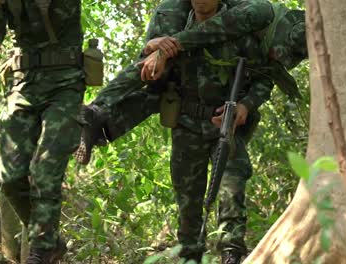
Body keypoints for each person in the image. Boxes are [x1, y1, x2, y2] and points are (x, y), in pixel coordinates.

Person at [74, 1, 307, 263]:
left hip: (228, 123)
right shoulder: (176, 24)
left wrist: (246, 105)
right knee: (188, 200)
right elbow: (150, 71)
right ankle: (190, 255)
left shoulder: (240, 28)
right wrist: (154, 50)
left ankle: (232, 252)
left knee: (232, 188)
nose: (201, 3)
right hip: (187, 124)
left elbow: (266, 75)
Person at [0, 0, 84, 263]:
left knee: (45, 168)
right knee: (9, 177)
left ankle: (42, 250)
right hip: (23, 83)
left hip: (66, 82)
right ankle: (49, 238)